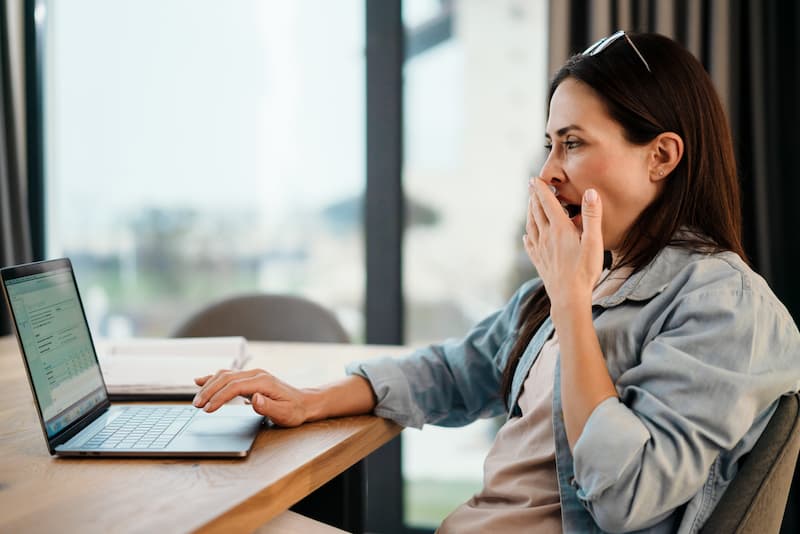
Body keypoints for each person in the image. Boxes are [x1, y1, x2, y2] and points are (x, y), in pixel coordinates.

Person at [191, 31, 800, 533]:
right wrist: (312, 399)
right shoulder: (592, 274)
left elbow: (626, 497)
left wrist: (570, 304)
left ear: (662, 157)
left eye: (573, 143)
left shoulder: (723, 306)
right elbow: (458, 368)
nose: (548, 172)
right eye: (549, 144)